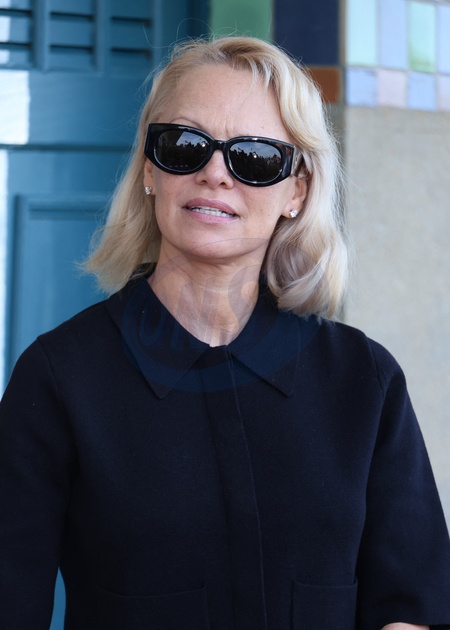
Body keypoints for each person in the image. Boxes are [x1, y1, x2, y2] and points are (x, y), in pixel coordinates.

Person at [0, 36, 449, 630]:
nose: (214, 173)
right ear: (149, 170)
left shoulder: (366, 380)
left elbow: (412, 608)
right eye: (184, 146)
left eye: (255, 157)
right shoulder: (58, 378)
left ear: (297, 191)